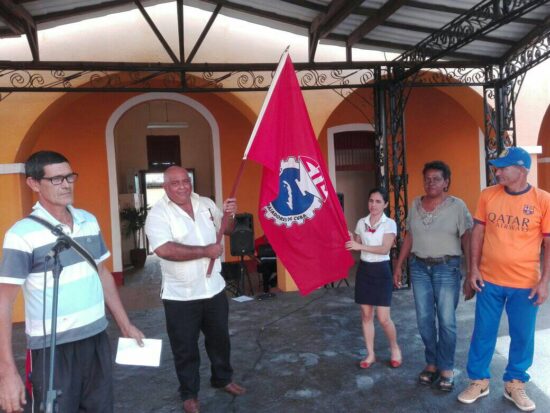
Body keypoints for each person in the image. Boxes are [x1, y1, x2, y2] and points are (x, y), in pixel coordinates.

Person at [0, 151, 144, 413]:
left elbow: (102, 273)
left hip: (96, 337)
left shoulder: (88, 221)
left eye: (69, 177)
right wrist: (6, 371)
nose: (66, 184)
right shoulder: (21, 235)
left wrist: (125, 324)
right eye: (56, 179)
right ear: (33, 184)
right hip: (51, 349)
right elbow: (4, 301)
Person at [144, 166, 245, 413]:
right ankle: (189, 394)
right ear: (165, 187)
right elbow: (164, 249)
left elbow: (228, 229)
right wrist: (204, 251)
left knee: (220, 340)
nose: (182, 187)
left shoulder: (207, 204)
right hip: (181, 296)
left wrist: (230, 214)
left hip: (213, 289)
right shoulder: (158, 214)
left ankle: (222, 378)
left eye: (185, 181)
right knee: (185, 348)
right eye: (175, 183)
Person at [457, 147, 550, 412]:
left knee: (522, 336)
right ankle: (479, 381)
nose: (497, 172)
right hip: (489, 280)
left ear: (521, 170)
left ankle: (515, 383)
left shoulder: (543, 200)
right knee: (483, 333)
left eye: (502, 168)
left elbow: (548, 244)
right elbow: (477, 233)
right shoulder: (488, 195)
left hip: (526, 284)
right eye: (496, 168)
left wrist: (544, 281)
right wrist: (473, 269)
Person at [393, 160, 472, 391]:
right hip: (419, 269)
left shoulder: (457, 206)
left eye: (436, 178)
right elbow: (409, 237)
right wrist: (399, 266)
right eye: (427, 178)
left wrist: (470, 272)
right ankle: (432, 362)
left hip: (447, 269)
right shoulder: (415, 203)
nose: (431, 182)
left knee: (446, 321)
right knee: (424, 320)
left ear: (446, 182)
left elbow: (466, 238)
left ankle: (446, 367)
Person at [346, 187, 401, 369]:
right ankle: (370, 354)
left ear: (385, 204)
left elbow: (384, 249)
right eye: (371, 201)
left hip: (382, 271)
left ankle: (394, 348)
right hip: (365, 271)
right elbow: (358, 245)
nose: (373, 205)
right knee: (366, 315)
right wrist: (351, 239)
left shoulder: (389, 223)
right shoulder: (362, 222)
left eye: (378, 201)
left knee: (383, 318)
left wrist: (358, 246)